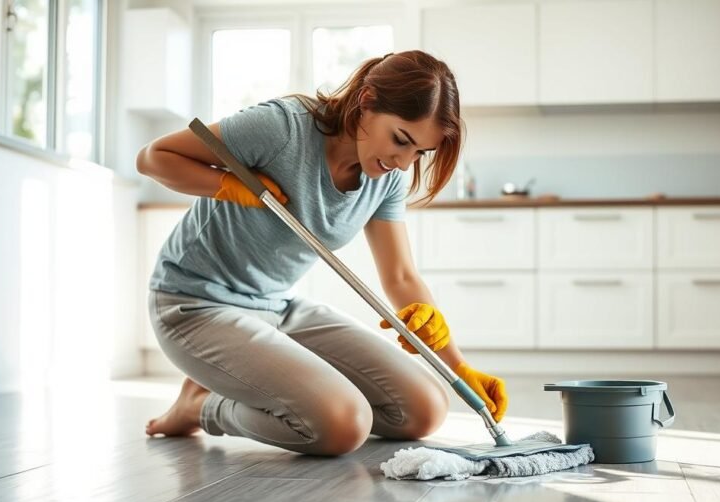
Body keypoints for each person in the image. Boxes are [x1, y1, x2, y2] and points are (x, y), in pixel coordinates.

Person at [134, 50, 508, 456]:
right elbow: (153, 158)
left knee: (424, 410)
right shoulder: (282, 129)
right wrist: (228, 186)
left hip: (275, 307)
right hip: (193, 304)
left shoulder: (385, 178)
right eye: (401, 139)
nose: (404, 162)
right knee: (343, 426)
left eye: (421, 152)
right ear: (366, 101)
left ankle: (252, 381)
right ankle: (202, 405)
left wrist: (458, 366)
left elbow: (400, 276)